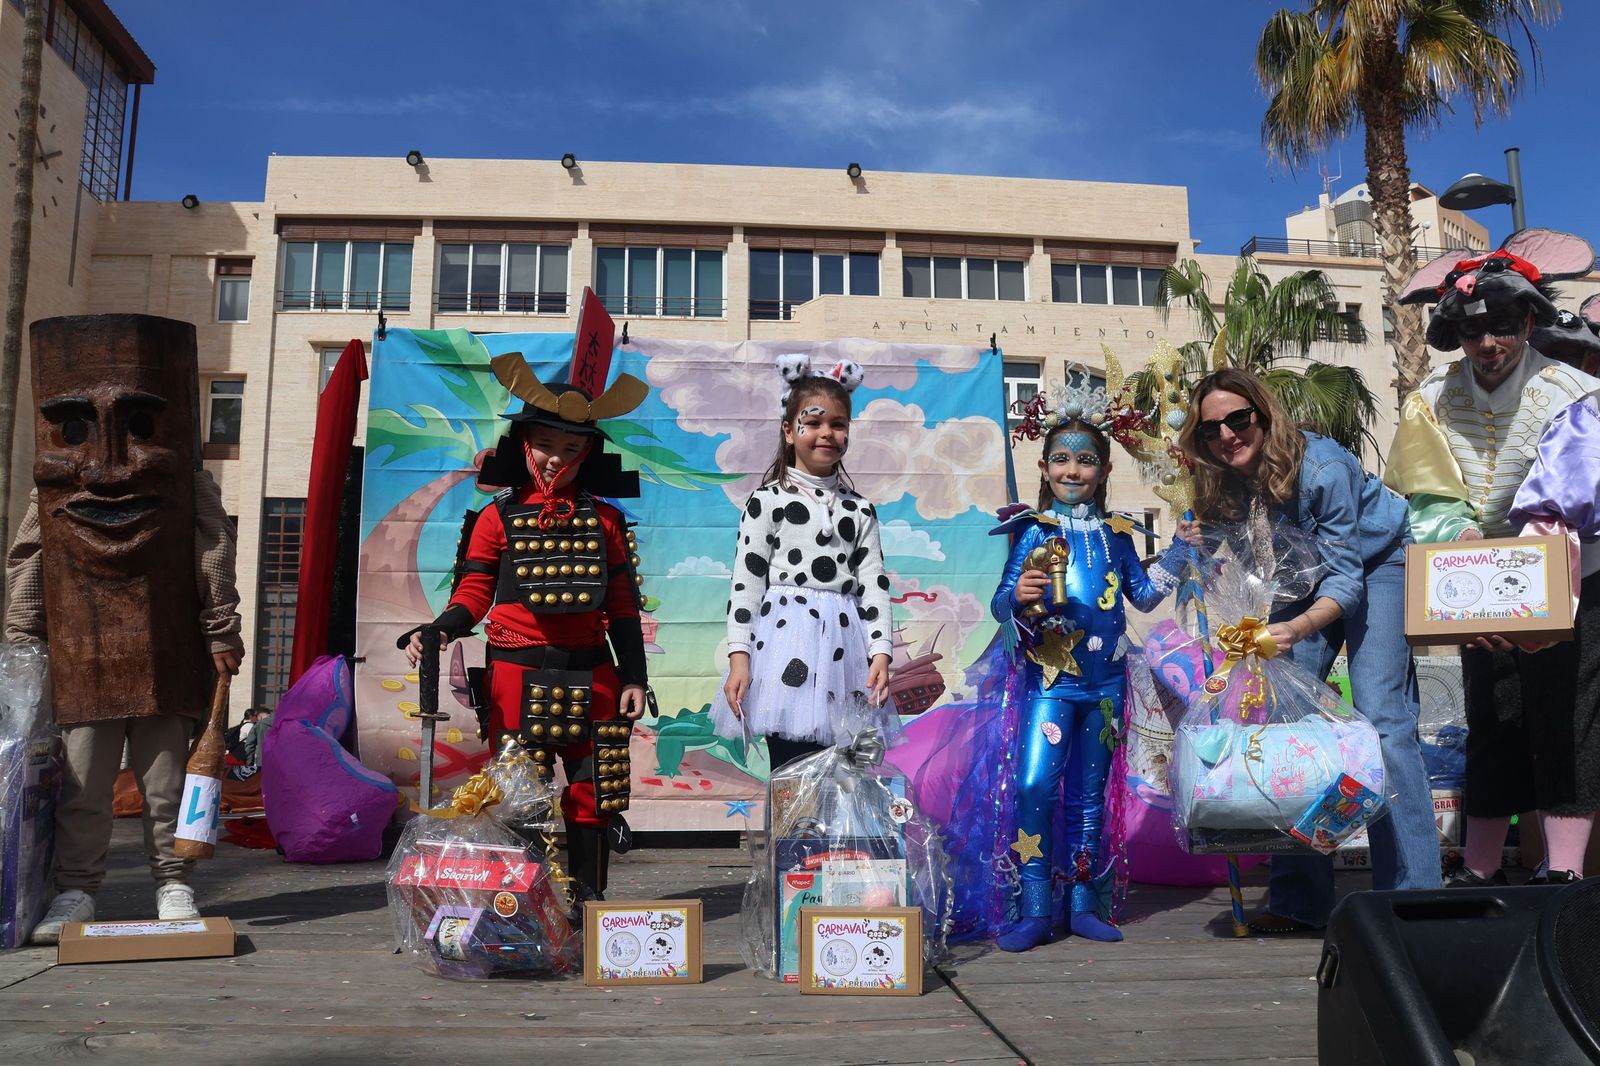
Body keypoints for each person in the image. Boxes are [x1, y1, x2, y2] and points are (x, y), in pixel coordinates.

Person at [4, 315, 244, 943]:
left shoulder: (189, 485)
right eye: (77, 428)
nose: (109, 464)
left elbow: (212, 548)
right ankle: (77, 889)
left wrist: (220, 628)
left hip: (167, 653)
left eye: (139, 426)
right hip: (83, 656)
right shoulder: (49, 495)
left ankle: (174, 880)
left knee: (168, 783)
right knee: (82, 786)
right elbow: (30, 557)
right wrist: (24, 639)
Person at [1179, 366, 1438, 933]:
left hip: (1378, 563)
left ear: (1264, 415)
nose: (1226, 435)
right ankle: (1300, 901)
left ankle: (1413, 894)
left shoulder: (1322, 466)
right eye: (1210, 430)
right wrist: (1201, 549)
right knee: (1292, 726)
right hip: (1299, 583)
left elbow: (1345, 580)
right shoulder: (1222, 481)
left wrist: (1292, 632)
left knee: (1383, 719)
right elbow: (1252, 571)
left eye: (1238, 419)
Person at [1387, 235, 1600, 887]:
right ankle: (1480, 868)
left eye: (1504, 327)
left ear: (1529, 323)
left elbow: (1571, 488)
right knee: (1492, 714)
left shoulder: (1572, 389)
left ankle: (1562, 869)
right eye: (1475, 329)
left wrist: (1527, 576)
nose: (1490, 344)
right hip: (1476, 577)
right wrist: (1463, 555)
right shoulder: (1430, 394)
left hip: (1570, 570)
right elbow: (1427, 487)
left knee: (1565, 713)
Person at [401, 351, 650, 901]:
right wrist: (440, 629)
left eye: (571, 449)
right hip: (515, 673)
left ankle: (589, 905)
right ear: (524, 444)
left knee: (593, 794)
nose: (557, 459)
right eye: (546, 446)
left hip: (595, 675)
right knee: (520, 796)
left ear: (588, 453)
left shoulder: (605, 521)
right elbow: (473, 594)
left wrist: (634, 676)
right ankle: (526, 910)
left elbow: (624, 606)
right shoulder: (495, 517)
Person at [984, 372, 1190, 951]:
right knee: (1032, 787)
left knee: (1089, 795)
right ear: (1045, 468)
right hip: (1048, 684)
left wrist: (1178, 550)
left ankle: (1082, 904)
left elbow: (1144, 596)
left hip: (1104, 685)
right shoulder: (1030, 532)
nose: (1072, 472)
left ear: (1103, 470)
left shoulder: (1118, 535)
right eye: (1061, 460)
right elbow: (1002, 605)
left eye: (1085, 461)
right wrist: (1018, 596)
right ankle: (1033, 908)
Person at [711, 355, 898, 771]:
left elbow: (873, 585)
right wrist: (739, 657)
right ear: (789, 430)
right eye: (813, 423)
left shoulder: (860, 510)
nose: (825, 434)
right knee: (790, 769)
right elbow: (746, 583)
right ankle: (792, 840)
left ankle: (833, 840)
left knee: (843, 769)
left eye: (838, 424)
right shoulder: (767, 501)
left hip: (845, 652)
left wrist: (881, 651)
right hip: (784, 647)